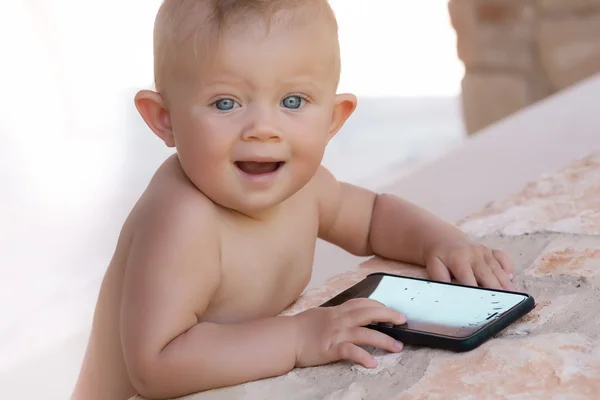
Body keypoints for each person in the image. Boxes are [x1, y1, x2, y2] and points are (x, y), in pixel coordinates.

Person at [73, 1, 515, 399]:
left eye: (292, 100)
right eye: (225, 103)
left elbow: (372, 217)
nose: (264, 128)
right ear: (164, 120)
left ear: (333, 118)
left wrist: (443, 242)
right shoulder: (182, 219)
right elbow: (156, 365)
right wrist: (298, 338)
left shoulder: (306, 188)